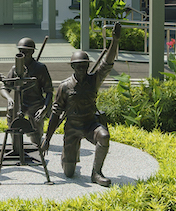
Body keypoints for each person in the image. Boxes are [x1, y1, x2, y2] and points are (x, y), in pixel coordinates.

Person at [41, 22, 123, 187]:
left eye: (84, 65)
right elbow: (56, 113)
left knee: (104, 136)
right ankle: (70, 157)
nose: (81, 69)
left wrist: (115, 41)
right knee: (69, 173)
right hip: (72, 128)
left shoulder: (94, 80)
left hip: (90, 124)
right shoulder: (64, 86)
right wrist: (47, 139)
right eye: (78, 66)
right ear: (72, 66)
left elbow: (106, 64)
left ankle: (96, 173)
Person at [0, 37, 54, 146]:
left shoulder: (40, 68)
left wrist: (44, 108)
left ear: (32, 52)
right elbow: (4, 88)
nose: (22, 54)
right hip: (20, 103)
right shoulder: (15, 69)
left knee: (36, 140)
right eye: (20, 51)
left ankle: (37, 139)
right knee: (12, 111)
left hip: (36, 104)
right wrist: (9, 98)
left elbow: (49, 91)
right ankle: (15, 141)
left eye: (26, 52)